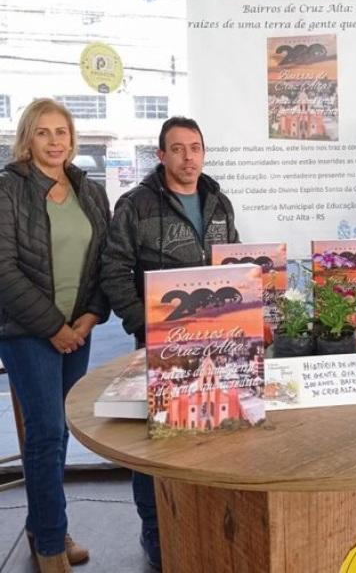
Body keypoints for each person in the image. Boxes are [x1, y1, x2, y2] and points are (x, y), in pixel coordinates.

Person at [101, 116, 239, 570]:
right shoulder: (136, 206)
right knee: (155, 438)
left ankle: (203, 525)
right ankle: (155, 532)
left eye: (195, 147)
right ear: (161, 156)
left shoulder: (219, 202)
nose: (188, 157)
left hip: (216, 344)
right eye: (177, 149)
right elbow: (115, 271)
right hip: (157, 346)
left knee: (211, 431)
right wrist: (145, 324)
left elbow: (232, 262)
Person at [0, 99, 110, 572]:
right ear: (28, 138)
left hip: (77, 329)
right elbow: (3, 269)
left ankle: (44, 522)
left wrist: (89, 317)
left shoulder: (90, 190)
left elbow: (106, 261)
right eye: (43, 132)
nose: (54, 141)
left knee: (58, 433)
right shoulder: (8, 190)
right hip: (27, 330)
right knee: (45, 433)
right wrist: (54, 327)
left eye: (61, 131)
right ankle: (49, 543)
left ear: (72, 138)